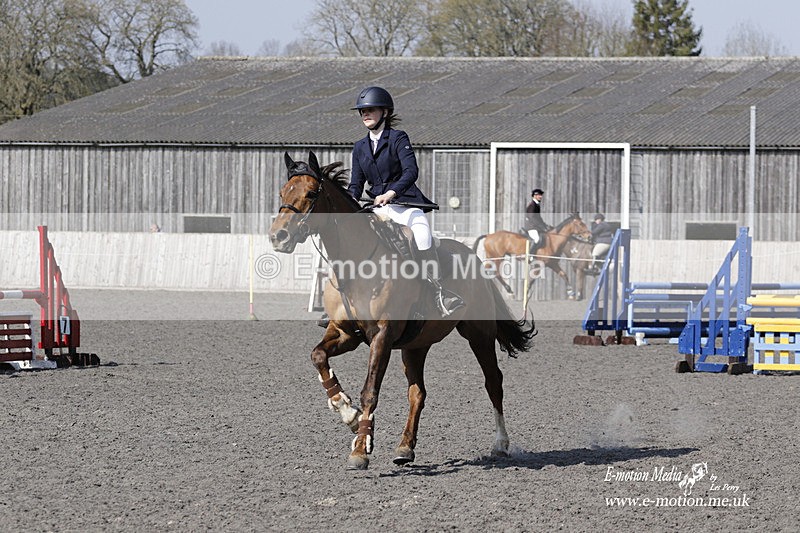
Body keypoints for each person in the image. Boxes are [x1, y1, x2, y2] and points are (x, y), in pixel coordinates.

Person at [347, 86, 464, 317]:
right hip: (377, 209)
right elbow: (356, 184)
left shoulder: (398, 138)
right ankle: (346, 300)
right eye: (362, 111)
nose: (365, 114)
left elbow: (411, 172)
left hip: (404, 204)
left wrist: (391, 193)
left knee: (421, 235)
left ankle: (439, 293)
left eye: (370, 110)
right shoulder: (359, 147)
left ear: (385, 112)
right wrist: (349, 200)